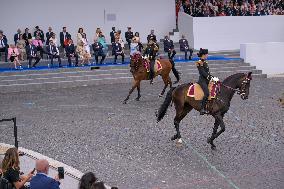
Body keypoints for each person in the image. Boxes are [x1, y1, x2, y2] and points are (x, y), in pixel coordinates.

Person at [196, 48, 213, 115]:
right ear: (203, 55)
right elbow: (202, 72)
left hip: (207, 79)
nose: (207, 55)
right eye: (206, 54)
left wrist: (213, 77)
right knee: (207, 93)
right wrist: (210, 77)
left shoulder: (205, 61)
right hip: (202, 80)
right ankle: (202, 108)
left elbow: (208, 72)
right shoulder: (199, 62)